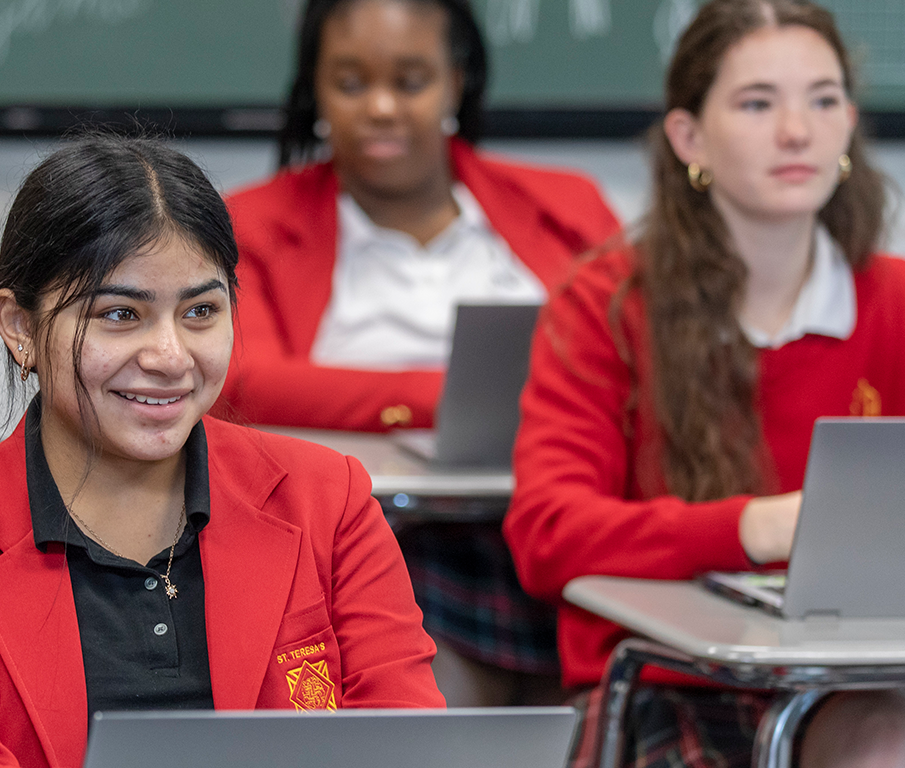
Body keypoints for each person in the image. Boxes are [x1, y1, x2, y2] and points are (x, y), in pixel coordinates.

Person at [0, 136, 445, 768]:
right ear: (21, 327)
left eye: (201, 311)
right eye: (121, 314)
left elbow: (404, 741)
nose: (170, 357)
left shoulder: (328, 500)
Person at [502, 1, 905, 765]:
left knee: (899, 735)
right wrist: (754, 528)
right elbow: (548, 533)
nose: (797, 131)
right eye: (758, 104)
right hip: (667, 678)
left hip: (854, 676)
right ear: (688, 138)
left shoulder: (904, 300)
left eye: (823, 101)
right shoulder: (606, 302)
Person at [220, 0, 622, 706]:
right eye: (351, 83)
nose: (381, 108)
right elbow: (243, 380)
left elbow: (637, 353)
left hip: (553, 526)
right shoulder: (250, 222)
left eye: (410, 81)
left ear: (455, 84)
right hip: (371, 532)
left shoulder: (568, 206)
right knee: (421, 681)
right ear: (315, 90)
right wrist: (449, 395)